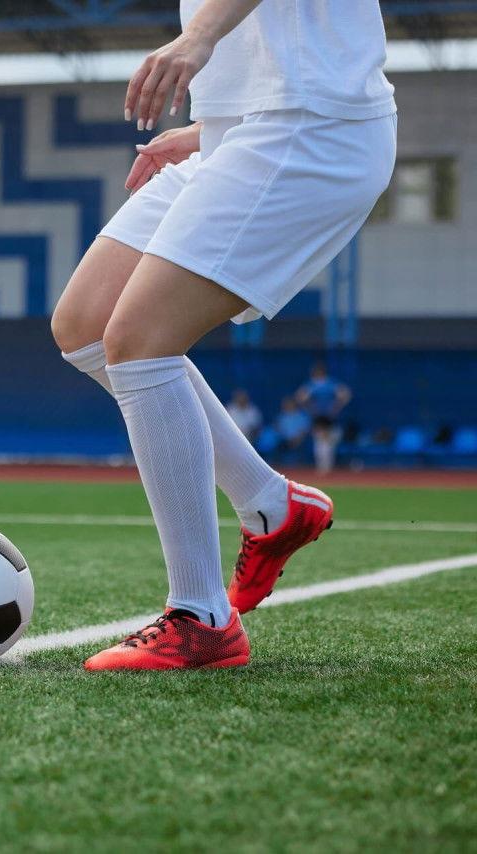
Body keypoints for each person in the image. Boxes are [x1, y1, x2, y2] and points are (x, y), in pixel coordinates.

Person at [49, 0, 393, 669]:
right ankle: (271, 504)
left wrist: (198, 37)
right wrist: (216, 124)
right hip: (247, 132)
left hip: (313, 131)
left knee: (141, 338)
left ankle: (202, 616)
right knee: (86, 324)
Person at [295, 362, 352, 474]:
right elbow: (346, 394)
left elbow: (300, 397)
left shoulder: (316, 385)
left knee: (323, 442)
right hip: (322, 416)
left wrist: (310, 407)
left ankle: (324, 467)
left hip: (324, 416)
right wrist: (337, 406)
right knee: (322, 442)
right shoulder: (330, 384)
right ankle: (324, 467)